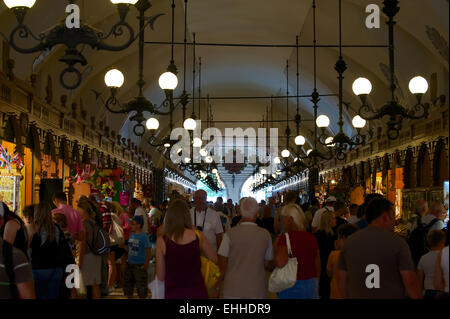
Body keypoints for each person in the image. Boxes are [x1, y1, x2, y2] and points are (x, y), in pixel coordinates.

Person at [338, 197, 422, 299]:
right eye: (393, 217)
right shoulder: (398, 243)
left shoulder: (349, 242)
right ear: (385, 217)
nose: (394, 221)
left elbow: (341, 278)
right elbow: (410, 280)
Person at [156, 199, 217, 299]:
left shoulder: (162, 241)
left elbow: (160, 276)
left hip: (173, 293)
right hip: (197, 291)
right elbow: (214, 258)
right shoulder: (198, 236)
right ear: (187, 215)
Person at [217, 197, 273, 299]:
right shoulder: (266, 235)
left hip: (233, 288)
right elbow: (267, 262)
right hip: (256, 288)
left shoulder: (229, 234)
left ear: (240, 212)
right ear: (257, 213)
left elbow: (222, 260)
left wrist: (218, 283)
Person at [274, 204, 320, 299]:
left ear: (290, 219)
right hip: (311, 283)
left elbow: (280, 262)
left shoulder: (285, 238)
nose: (281, 222)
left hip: (291, 285)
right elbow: (317, 264)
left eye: (283, 218)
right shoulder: (312, 238)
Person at [27, 203, 72, 299]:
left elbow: (28, 249)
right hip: (55, 269)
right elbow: (63, 248)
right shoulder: (55, 228)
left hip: (37, 269)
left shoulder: (32, 228)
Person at [327, 223, 359, 299]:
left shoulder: (334, 254)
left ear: (343, 238)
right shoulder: (359, 255)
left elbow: (329, 273)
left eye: (338, 237)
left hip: (336, 293)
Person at [77, 201, 102, 299]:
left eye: (78, 209)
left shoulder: (84, 224)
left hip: (87, 255)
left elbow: (83, 242)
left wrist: (80, 259)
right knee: (95, 283)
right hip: (96, 255)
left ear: (83, 210)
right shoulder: (94, 222)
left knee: (83, 284)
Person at [124, 216, 151, 299]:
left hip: (139, 265)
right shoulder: (131, 235)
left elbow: (148, 251)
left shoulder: (144, 237)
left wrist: (146, 264)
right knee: (128, 286)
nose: (130, 225)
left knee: (141, 288)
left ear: (139, 225)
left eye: (133, 224)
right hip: (130, 264)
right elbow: (130, 248)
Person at [417, 230, 446, 298]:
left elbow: (419, 280)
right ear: (442, 241)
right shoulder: (446, 256)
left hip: (428, 292)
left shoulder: (423, 258)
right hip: (444, 291)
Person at [315, 211, 337, 299]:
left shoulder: (317, 235)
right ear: (328, 220)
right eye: (333, 218)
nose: (336, 220)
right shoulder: (332, 236)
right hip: (326, 266)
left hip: (321, 266)